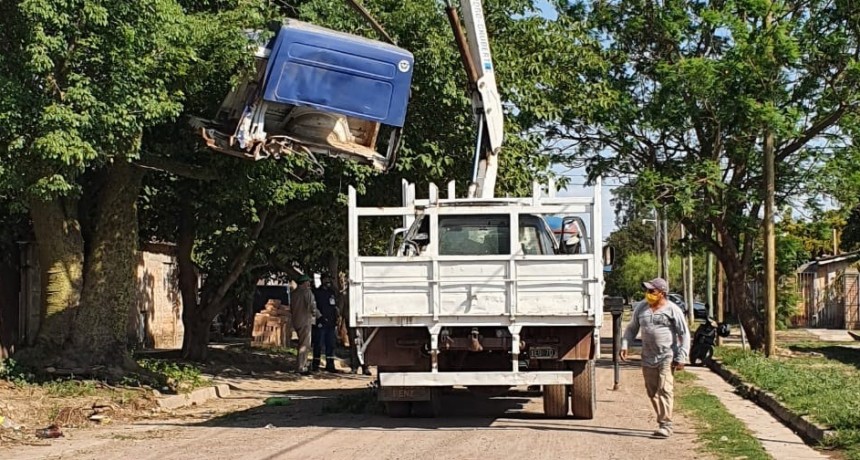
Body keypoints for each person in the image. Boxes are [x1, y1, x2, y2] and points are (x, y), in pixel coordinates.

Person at [620, 277, 691, 438]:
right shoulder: (641, 309)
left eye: (652, 291)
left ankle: (666, 424)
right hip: (647, 357)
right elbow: (631, 329)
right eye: (647, 291)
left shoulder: (673, 310)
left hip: (667, 356)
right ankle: (663, 421)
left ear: (662, 293)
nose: (648, 294)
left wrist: (682, 356)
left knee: (665, 388)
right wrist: (625, 345)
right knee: (652, 392)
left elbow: (684, 334)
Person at [290, 274, 319, 376]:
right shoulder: (307, 292)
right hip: (305, 321)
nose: (309, 284)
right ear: (304, 283)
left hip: (296, 321)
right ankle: (301, 367)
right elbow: (312, 306)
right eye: (308, 282)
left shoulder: (293, 293)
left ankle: (301, 365)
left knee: (301, 343)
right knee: (305, 345)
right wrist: (318, 315)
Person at [312, 274, 339, 372]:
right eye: (326, 280)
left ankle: (330, 365)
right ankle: (315, 365)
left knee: (330, 345)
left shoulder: (331, 292)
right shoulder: (317, 292)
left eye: (329, 280)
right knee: (318, 344)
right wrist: (320, 318)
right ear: (322, 280)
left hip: (331, 323)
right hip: (321, 322)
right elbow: (314, 307)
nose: (328, 282)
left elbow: (334, 306)